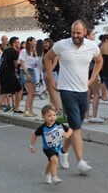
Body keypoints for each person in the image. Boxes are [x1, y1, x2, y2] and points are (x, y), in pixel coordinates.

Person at [44, 20, 102, 174]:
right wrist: (51, 78)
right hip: (66, 90)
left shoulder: (92, 46)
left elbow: (100, 61)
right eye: (73, 32)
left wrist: (92, 79)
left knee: (75, 125)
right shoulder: (62, 45)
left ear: (84, 32)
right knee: (76, 126)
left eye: (78, 33)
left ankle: (63, 152)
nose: (75, 36)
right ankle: (81, 161)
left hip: (83, 90)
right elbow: (47, 59)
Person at [30, 104, 72, 184]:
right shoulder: (42, 128)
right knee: (55, 160)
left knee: (51, 162)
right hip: (47, 148)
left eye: (54, 115)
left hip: (56, 147)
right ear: (43, 117)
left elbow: (70, 130)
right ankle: (54, 177)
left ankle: (46, 174)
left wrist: (68, 134)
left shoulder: (57, 124)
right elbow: (34, 135)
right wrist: (32, 146)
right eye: (49, 116)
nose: (52, 117)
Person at [0, 37, 23, 122]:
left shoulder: (6, 51)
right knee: (19, 89)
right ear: (13, 43)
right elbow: (16, 65)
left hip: (2, 74)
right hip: (10, 74)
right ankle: (16, 108)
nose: (19, 43)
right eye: (17, 42)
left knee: (3, 94)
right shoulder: (14, 52)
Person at [19, 37, 40, 117]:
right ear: (29, 42)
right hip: (26, 70)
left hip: (32, 70)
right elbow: (22, 62)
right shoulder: (24, 51)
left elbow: (35, 62)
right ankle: (26, 110)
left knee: (33, 93)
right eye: (34, 41)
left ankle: (31, 109)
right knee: (30, 92)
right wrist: (26, 73)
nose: (35, 43)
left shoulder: (34, 52)